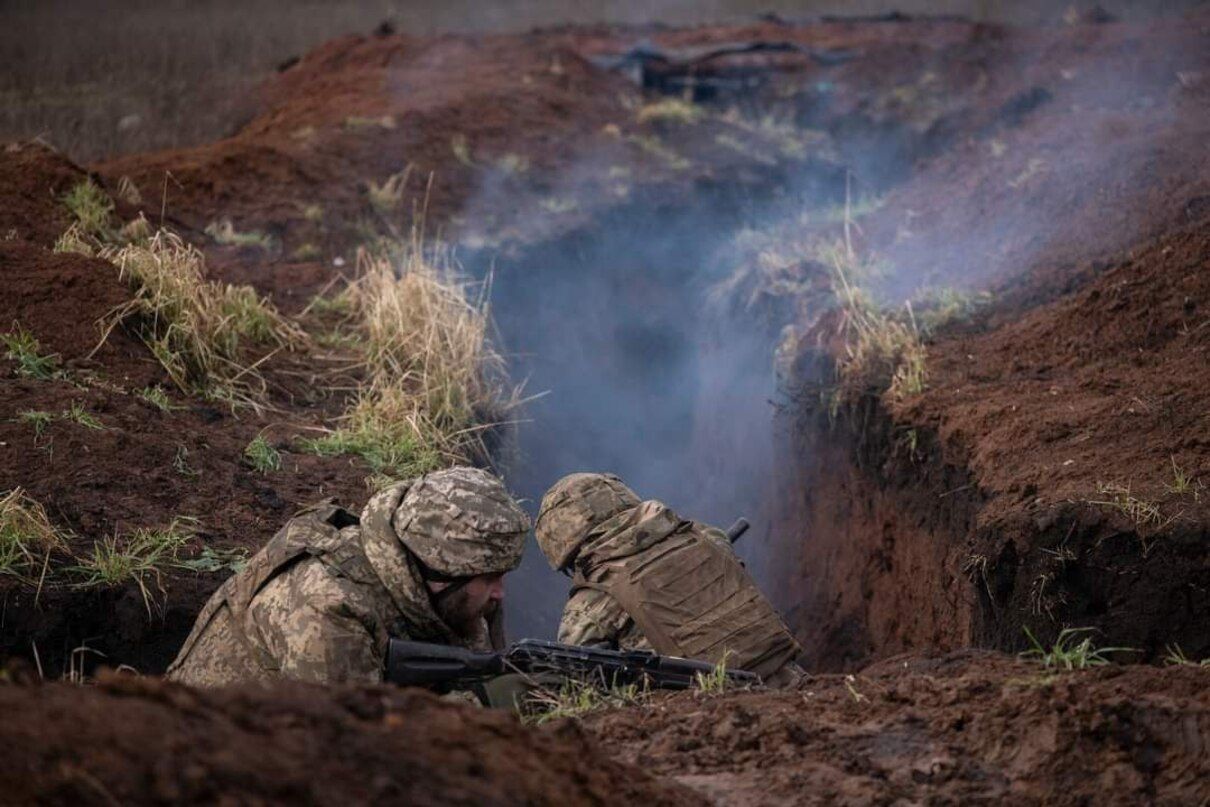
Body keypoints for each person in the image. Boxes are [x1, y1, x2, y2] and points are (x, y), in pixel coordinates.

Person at [167, 466, 530, 687]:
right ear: (440, 572)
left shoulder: (438, 591)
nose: (499, 593)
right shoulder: (326, 609)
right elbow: (352, 759)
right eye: (490, 578)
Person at [535, 472, 803, 686]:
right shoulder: (705, 535)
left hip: (703, 714)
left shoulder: (590, 602)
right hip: (790, 681)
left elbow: (576, 680)